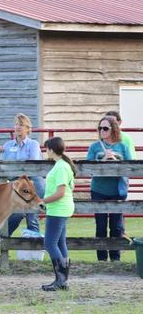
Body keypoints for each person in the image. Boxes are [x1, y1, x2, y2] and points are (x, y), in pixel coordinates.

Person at [86, 115, 129, 262]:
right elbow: (87, 167)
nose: (102, 131)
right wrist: (102, 160)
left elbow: (131, 166)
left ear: (113, 129)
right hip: (98, 189)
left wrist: (116, 160)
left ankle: (115, 259)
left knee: (117, 226)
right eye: (100, 128)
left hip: (117, 190)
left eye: (105, 128)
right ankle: (102, 259)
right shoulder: (94, 146)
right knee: (101, 225)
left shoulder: (122, 146)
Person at [39, 137, 76, 291]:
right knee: (60, 243)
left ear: (51, 149)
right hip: (61, 208)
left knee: (50, 243)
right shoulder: (63, 165)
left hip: (58, 209)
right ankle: (63, 280)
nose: (46, 151)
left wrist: (44, 201)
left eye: (46, 148)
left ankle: (60, 280)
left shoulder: (61, 167)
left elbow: (61, 192)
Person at [1, 113, 43, 236]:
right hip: (16, 185)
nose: (18, 127)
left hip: (33, 183)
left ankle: (34, 248)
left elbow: (33, 166)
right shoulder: (8, 145)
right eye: (16, 124)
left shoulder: (33, 144)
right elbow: (4, 167)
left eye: (21, 125)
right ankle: (1, 238)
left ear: (28, 128)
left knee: (32, 215)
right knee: (15, 213)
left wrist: (16, 171)